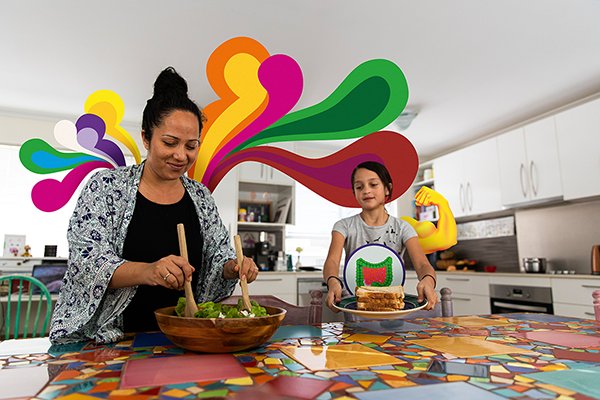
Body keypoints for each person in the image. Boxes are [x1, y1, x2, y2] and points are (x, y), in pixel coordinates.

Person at [49, 67, 259, 344]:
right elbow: (87, 261)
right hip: (111, 340)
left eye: (191, 145)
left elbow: (216, 256)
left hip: (184, 338)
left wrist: (231, 267)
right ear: (146, 138)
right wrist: (148, 271)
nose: (181, 155)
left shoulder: (201, 197)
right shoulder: (106, 187)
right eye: (170, 142)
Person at [323, 161, 439, 312]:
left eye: (373, 184)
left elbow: (423, 265)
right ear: (354, 192)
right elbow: (332, 260)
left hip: (392, 306)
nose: (366, 190)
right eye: (359, 187)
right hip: (353, 305)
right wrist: (333, 282)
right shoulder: (343, 226)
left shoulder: (403, 227)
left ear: (387, 188)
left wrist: (428, 281)